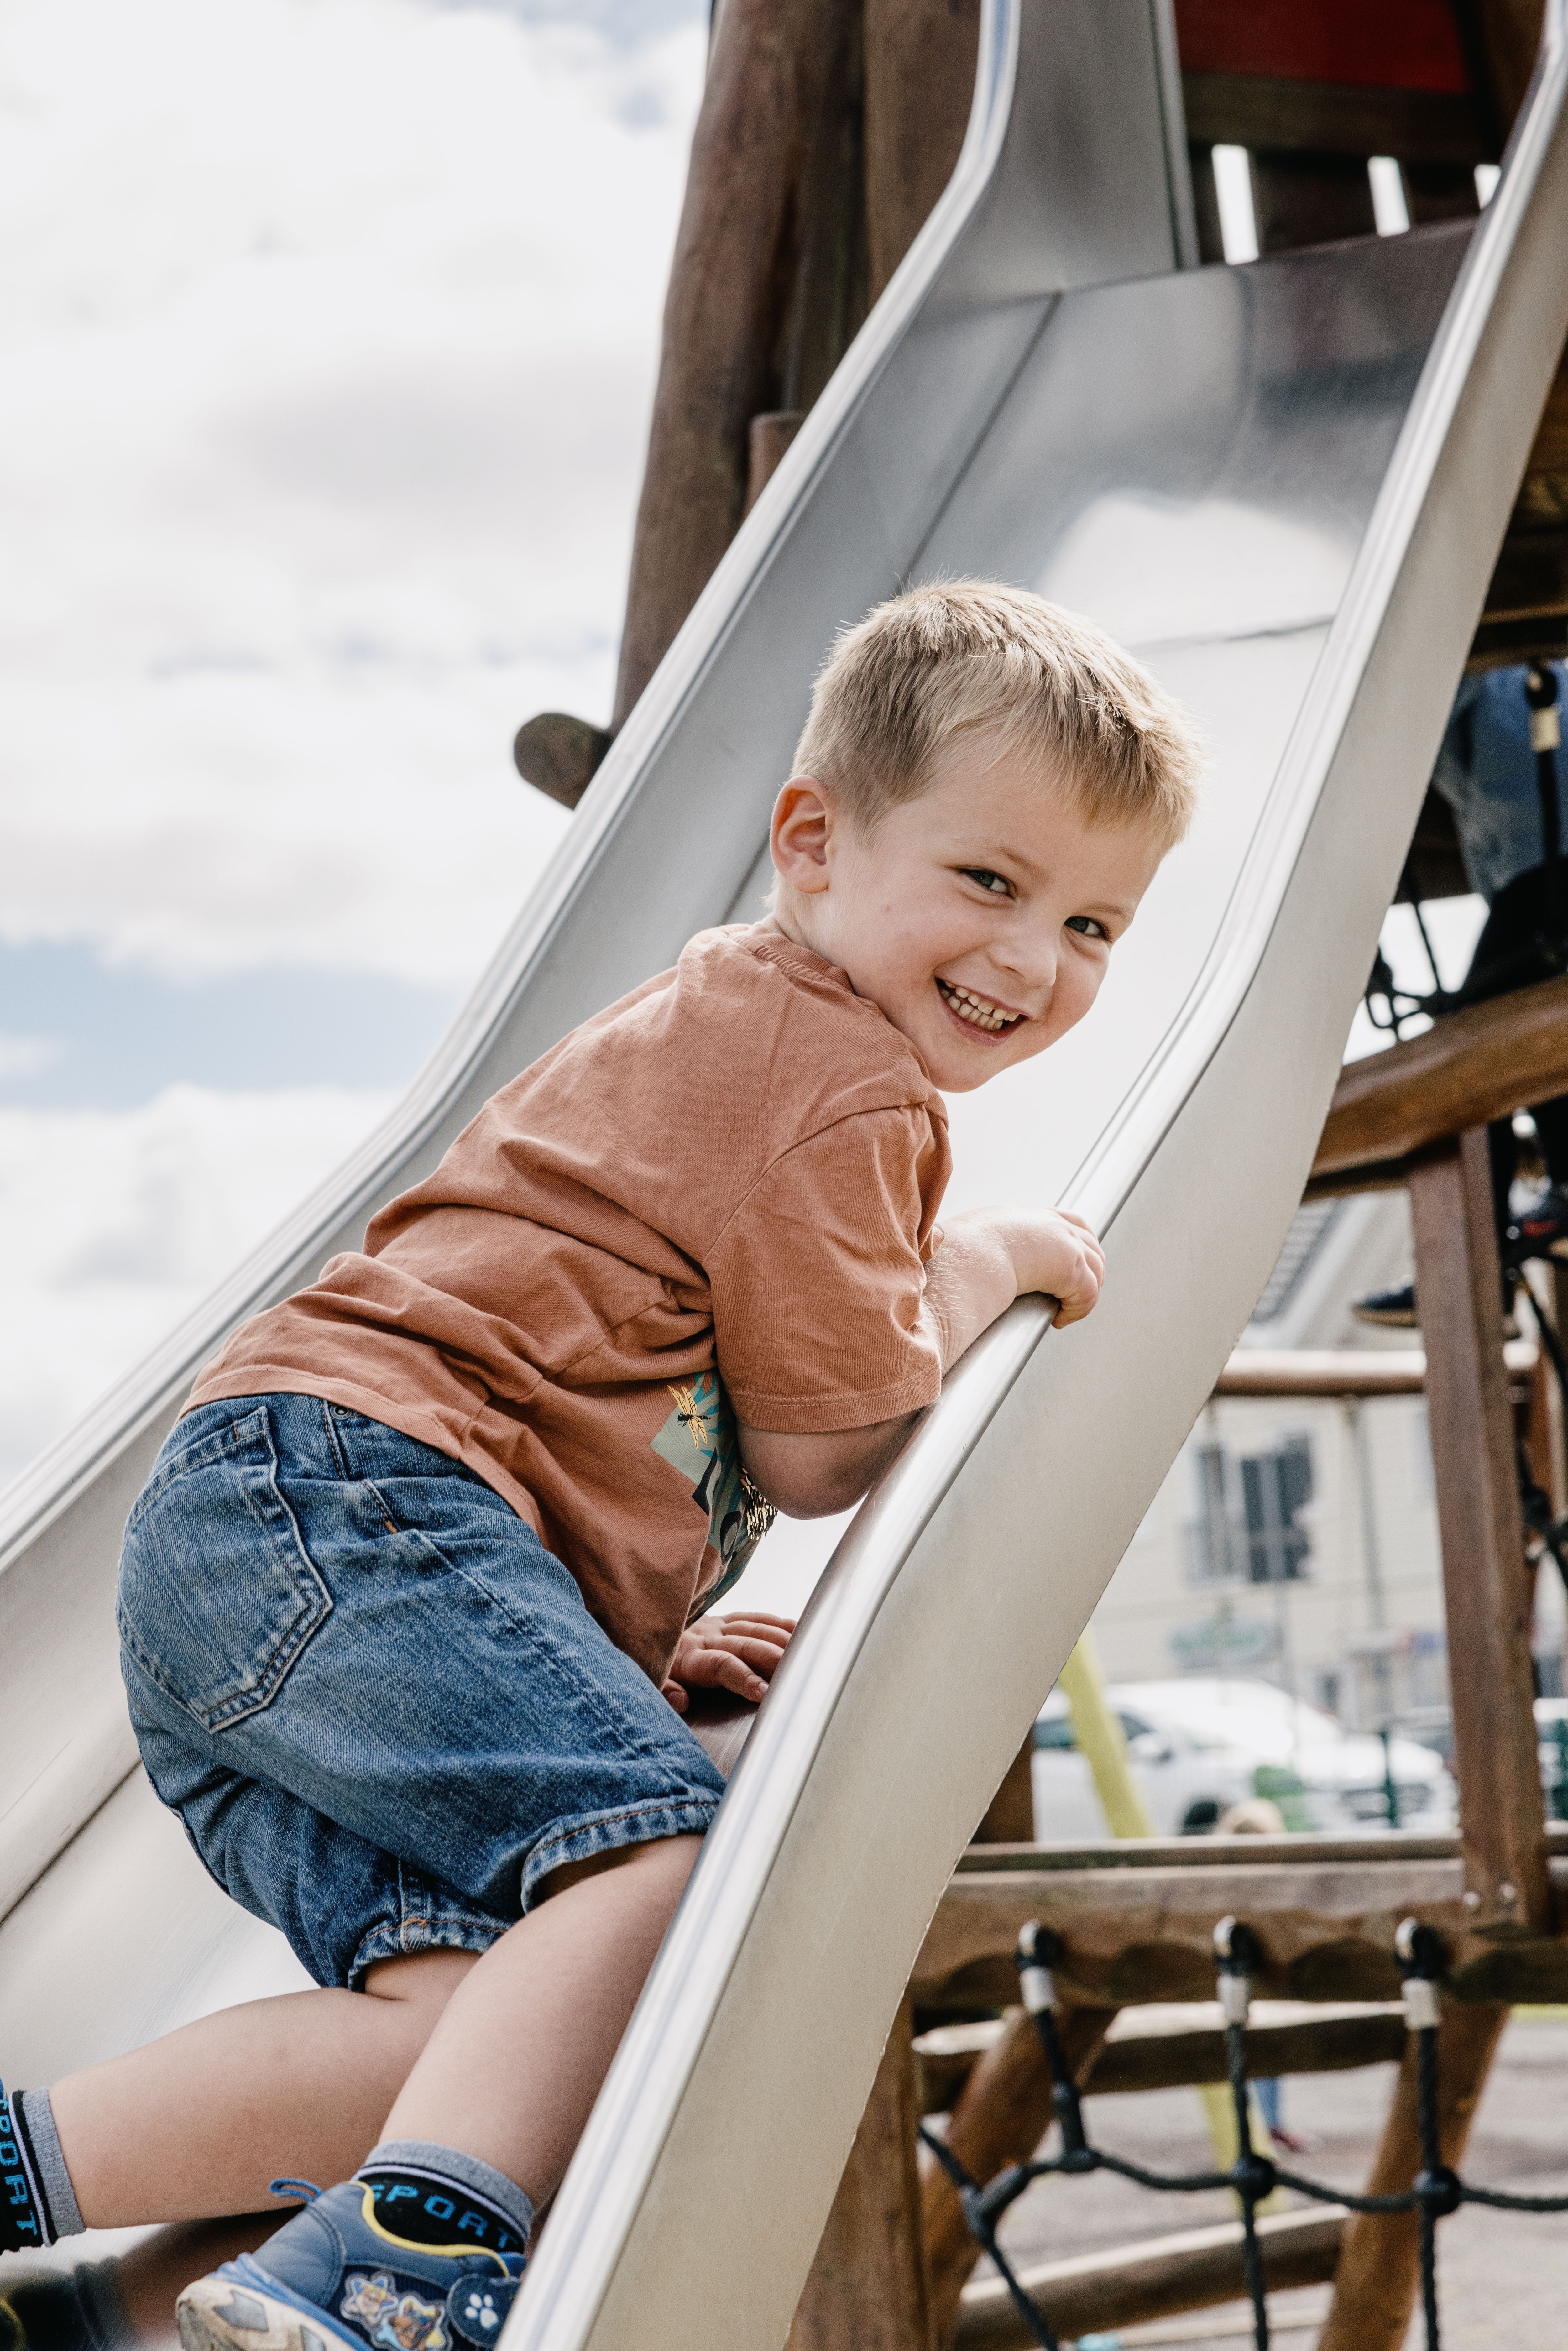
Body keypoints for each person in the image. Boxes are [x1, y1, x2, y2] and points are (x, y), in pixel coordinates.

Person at [0, 581, 1201, 2351]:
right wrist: (984, 1265)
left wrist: (615, 1652)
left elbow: (585, 1382)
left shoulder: (729, 1019)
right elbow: (817, 1450)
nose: (1036, 960)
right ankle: (399, 2280)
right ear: (811, 844)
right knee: (660, 1868)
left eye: (1095, 922)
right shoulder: (844, 1076)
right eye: (989, 882)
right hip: (357, 1498)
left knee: (484, 2041)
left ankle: (98, 2298)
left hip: (262, 1552)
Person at [1357, 660, 1568, 1328]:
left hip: (1547, 869)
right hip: (1532, 868)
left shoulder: (1501, 680)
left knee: (1475, 1042)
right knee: (1517, 1027)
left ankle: (1472, 1260)